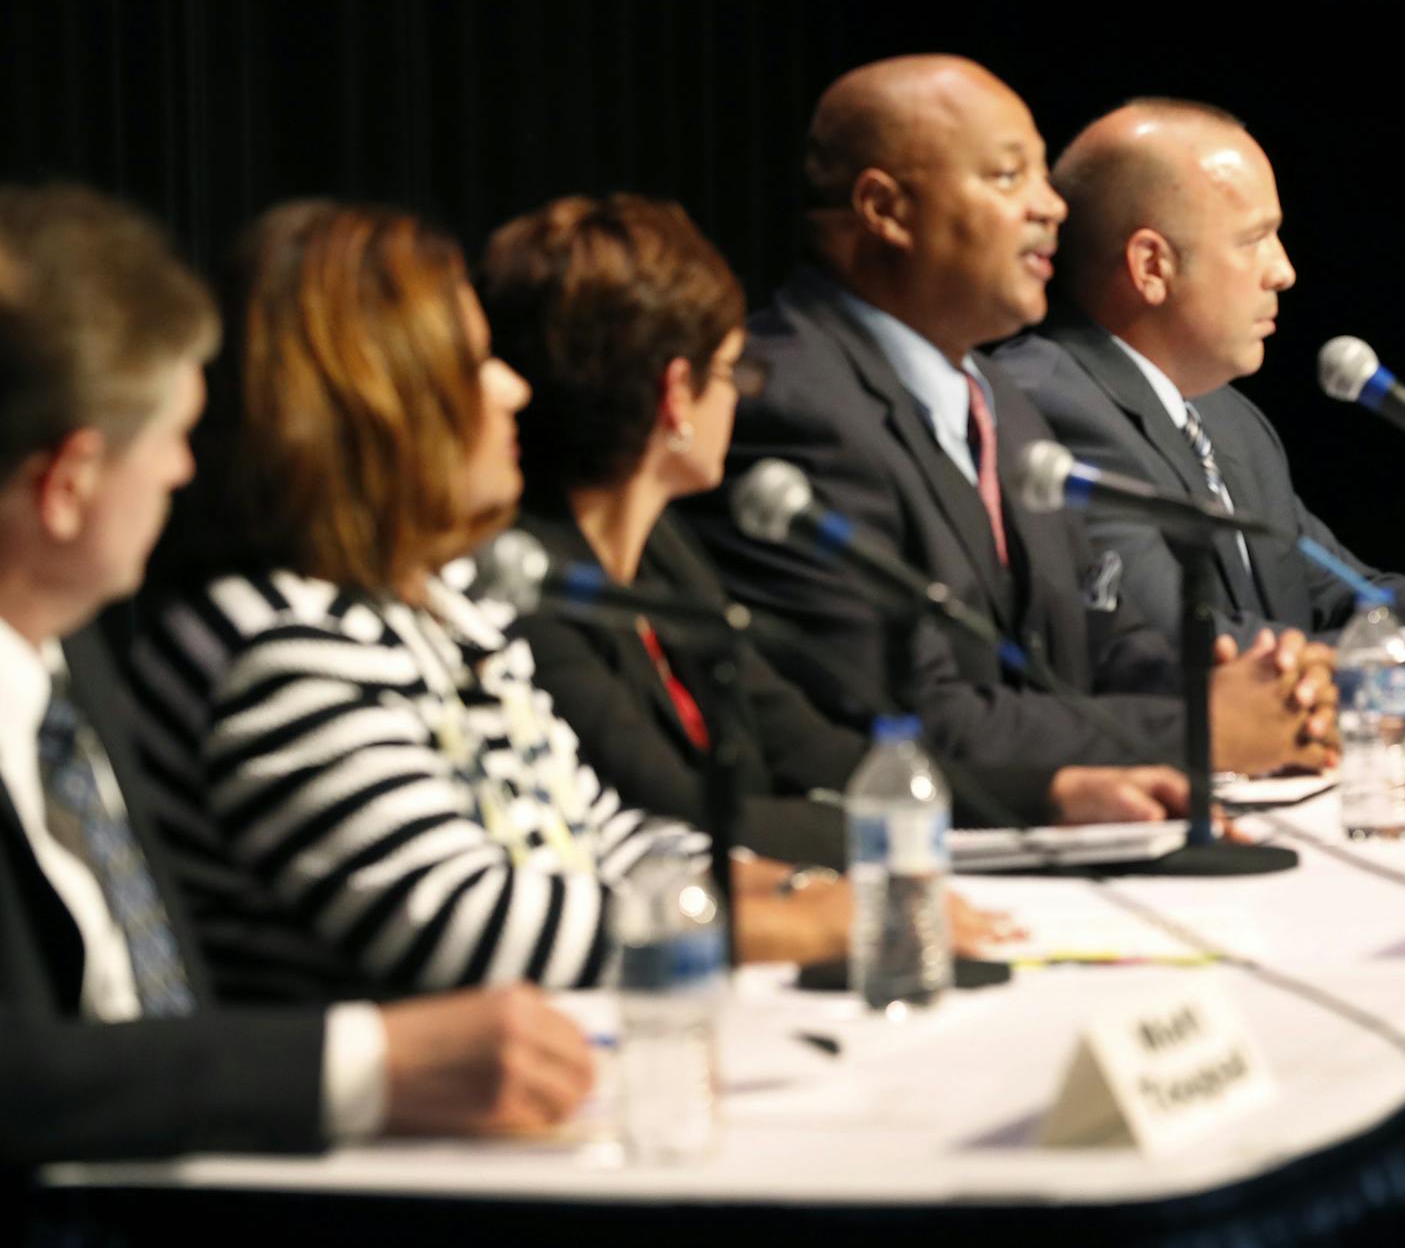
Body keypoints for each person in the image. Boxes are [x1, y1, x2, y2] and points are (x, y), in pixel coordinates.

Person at [129, 199, 869, 1008]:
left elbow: (599, 833)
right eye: (474, 363)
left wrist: (792, 886)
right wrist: (791, 924)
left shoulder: (436, 602)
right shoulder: (277, 642)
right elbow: (469, 926)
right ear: (383, 405)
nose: (513, 387)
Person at [0, 184, 592, 1169]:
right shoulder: (258, 645)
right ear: (67, 488)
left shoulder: (72, 668)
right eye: (168, 438)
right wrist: (367, 1063)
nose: (187, 470)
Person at [684, 55, 1335, 779]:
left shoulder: (998, 399)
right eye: (1007, 176)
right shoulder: (790, 405)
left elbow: (1101, 637)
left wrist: (1239, 686)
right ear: (885, 209)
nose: (1051, 206)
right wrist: (1196, 729)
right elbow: (911, 721)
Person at [480, 193, 1191, 840]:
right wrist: (893, 845)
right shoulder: (529, 583)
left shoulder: (661, 552)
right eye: (733, 371)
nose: (740, 395)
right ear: (676, 396)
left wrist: (1057, 794)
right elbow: (676, 807)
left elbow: (804, 744)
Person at [997, 98, 1405, 648]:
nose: (1284, 272)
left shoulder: (1226, 415)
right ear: (1152, 266)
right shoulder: (1044, 405)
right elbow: (1187, 644)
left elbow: (1338, 588)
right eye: (1255, 239)